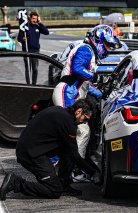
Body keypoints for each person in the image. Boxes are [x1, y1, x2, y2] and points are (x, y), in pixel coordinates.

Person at [52, 24, 120, 181]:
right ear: (99, 39)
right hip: (67, 93)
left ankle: (68, 170)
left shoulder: (90, 53)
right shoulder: (86, 49)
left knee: (79, 132)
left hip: (72, 93)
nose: (109, 49)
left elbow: (87, 86)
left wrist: (104, 94)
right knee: (76, 132)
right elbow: (77, 68)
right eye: (107, 45)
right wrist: (95, 76)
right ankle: (65, 168)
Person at [0, 99, 101, 201]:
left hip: (32, 148)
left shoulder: (61, 112)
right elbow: (75, 155)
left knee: (68, 150)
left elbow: (70, 151)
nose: (84, 122)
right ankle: (16, 183)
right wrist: (93, 173)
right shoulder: (68, 123)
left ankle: (63, 184)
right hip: (31, 154)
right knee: (54, 190)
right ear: (79, 111)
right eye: (85, 119)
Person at [17, 11, 49, 85]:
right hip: (26, 51)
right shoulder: (24, 27)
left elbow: (47, 32)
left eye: (36, 19)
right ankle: (28, 84)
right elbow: (19, 38)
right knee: (28, 69)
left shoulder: (38, 26)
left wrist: (40, 22)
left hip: (35, 51)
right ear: (30, 18)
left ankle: (34, 84)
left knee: (35, 69)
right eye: (33, 18)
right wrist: (23, 39)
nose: (35, 20)